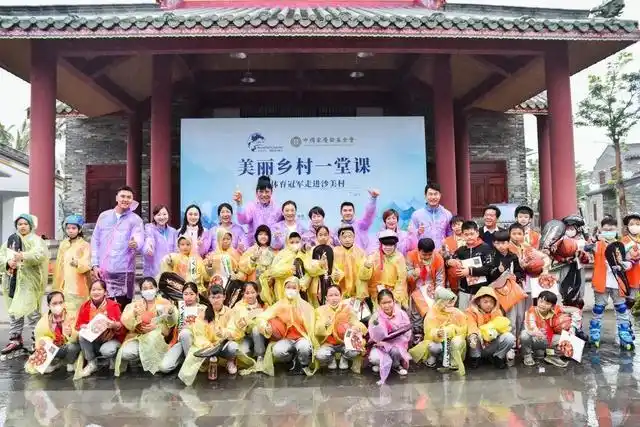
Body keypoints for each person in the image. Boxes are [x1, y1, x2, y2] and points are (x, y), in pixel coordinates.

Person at [0, 213, 48, 357]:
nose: (22, 226)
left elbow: (40, 255)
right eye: (20, 224)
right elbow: (2, 256)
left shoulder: (36, 240)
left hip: (30, 283)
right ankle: (15, 339)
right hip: (13, 281)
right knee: (14, 312)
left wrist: (24, 256)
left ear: (30, 225)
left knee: (32, 312)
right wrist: (8, 263)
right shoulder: (10, 241)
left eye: (25, 224)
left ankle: (36, 339)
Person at [177, 285, 244, 385]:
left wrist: (223, 333)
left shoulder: (230, 312)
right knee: (189, 338)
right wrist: (207, 344)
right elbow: (199, 333)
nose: (216, 300)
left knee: (233, 346)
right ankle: (207, 363)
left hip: (223, 345)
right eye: (213, 297)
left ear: (224, 297)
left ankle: (230, 361)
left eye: (218, 297)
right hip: (209, 346)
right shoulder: (204, 313)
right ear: (209, 298)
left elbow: (235, 331)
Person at [91, 185, 144, 309]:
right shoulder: (104, 216)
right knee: (103, 306)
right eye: (123, 196)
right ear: (116, 198)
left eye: (129, 197)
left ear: (132, 200)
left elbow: (139, 236)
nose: (125, 199)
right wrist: (95, 264)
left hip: (125, 270)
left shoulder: (135, 220)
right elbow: (95, 240)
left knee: (124, 307)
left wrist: (136, 243)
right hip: (104, 269)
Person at [585, 217, 634, 349]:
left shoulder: (622, 245)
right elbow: (586, 248)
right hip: (601, 282)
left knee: (621, 308)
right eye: (605, 230)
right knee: (598, 308)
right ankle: (595, 334)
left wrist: (626, 265)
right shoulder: (597, 245)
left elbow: (630, 261)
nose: (608, 232)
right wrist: (594, 239)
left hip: (618, 283)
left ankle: (624, 334)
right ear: (601, 230)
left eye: (611, 230)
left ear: (616, 230)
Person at [115, 277, 178, 376]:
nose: (148, 290)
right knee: (126, 353)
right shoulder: (136, 304)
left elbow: (172, 323)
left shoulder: (164, 303)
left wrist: (157, 327)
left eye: (151, 287)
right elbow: (126, 321)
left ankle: (154, 360)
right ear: (141, 291)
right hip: (139, 337)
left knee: (152, 338)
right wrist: (134, 314)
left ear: (156, 289)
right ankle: (139, 359)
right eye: (145, 288)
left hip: (159, 338)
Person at [257, 276, 316, 376]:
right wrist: (265, 327)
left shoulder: (306, 306)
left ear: (298, 289)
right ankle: (292, 359)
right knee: (277, 351)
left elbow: (311, 326)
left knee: (304, 347)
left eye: (294, 287)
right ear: (284, 288)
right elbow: (262, 317)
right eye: (288, 287)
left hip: (302, 338)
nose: (291, 290)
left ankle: (303, 364)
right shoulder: (279, 305)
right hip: (286, 338)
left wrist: (311, 340)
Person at [410, 288, 466, 374]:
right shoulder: (431, 314)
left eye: (452, 302)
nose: (450, 305)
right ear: (440, 302)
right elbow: (428, 333)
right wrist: (437, 333)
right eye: (447, 302)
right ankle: (433, 357)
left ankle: (454, 363)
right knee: (434, 346)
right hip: (439, 343)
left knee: (457, 341)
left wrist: (452, 329)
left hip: (453, 343)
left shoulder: (457, 313)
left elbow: (464, 329)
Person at [75, 279, 125, 378]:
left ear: (105, 292)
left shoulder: (113, 305)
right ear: (90, 292)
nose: (96, 292)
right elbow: (78, 325)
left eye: (99, 289)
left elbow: (122, 327)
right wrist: (82, 327)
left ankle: (112, 357)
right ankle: (91, 363)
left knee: (107, 351)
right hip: (94, 341)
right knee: (81, 336)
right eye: (93, 290)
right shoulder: (85, 306)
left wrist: (114, 325)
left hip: (111, 339)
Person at [25, 291, 81, 374]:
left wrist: (71, 333)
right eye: (54, 303)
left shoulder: (72, 316)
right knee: (44, 341)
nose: (58, 306)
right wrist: (43, 343)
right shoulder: (43, 323)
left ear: (64, 303)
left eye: (60, 302)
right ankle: (53, 362)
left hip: (68, 348)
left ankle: (70, 362)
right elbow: (38, 341)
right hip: (54, 349)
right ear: (49, 305)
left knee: (74, 347)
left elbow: (79, 337)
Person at [159, 282, 208, 374]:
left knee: (185, 333)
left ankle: (190, 364)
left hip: (197, 342)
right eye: (185, 294)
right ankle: (185, 359)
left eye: (191, 294)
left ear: (197, 294)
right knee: (164, 368)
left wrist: (191, 327)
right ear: (182, 295)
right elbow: (171, 323)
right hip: (180, 342)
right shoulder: (179, 307)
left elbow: (206, 328)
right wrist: (170, 313)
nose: (188, 297)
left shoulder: (203, 308)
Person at [315, 285, 367, 371]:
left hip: (345, 343)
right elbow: (317, 330)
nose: (334, 298)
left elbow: (356, 322)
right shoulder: (320, 310)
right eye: (330, 295)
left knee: (356, 350)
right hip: (328, 343)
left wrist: (357, 327)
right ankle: (331, 359)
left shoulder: (347, 308)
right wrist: (326, 325)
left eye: (336, 295)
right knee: (320, 355)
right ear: (326, 298)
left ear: (341, 296)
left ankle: (344, 357)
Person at [465, 286, 515, 369]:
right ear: (478, 302)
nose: (489, 304)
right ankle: (475, 358)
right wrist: (473, 335)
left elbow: (502, 328)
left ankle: (498, 357)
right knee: (473, 336)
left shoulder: (497, 312)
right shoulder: (470, 312)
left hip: (492, 343)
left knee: (509, 337)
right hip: (478, 345)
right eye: (485, 302)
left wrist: (496, 332)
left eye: (491, 302)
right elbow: (471, 326)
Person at [368, 289, 412, 384]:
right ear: (379, 304)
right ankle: (382, 364)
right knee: (374, 358)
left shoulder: (401, 314)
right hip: (380, 346)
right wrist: (379, 342)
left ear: (394, 301)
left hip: (396, 345)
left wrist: (394, 342)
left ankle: (396, 365)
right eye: (384, 303)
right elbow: (373, 336)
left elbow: (407, 333)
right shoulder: (375, 317)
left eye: (389, 302)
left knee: (396, 351)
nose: (387, 305)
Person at [447, 221, 494, 310]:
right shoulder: (460, 251)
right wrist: (449, 262)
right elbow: (449, 262)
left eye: (472, 234)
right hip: (464, 290)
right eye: (466, 234)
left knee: (480, 315)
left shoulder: (486, 248)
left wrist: (469, 271)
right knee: (464, 315)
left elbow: (489, 269)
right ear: (462, 235)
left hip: (482, 291)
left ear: (477, 233)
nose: (469, 237)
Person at [406, 238, 445, 344]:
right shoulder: (411, 256)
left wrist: (438, 292)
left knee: (431, 313)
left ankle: (430, 334)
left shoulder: (438, 258)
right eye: (424, 254)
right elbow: (406, 275)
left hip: (431, 290)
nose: (427, 257)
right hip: (415, 290)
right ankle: (417, 335)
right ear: (418, 250)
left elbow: (440, 278)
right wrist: (414, 273)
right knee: (416, 314)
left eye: (429, 254)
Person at [490, 230, 526, 343]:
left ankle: (513, 342)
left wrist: (516, 276)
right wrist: (498, 271)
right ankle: (499, 341)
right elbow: (488, 274)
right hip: (496, 291)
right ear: (494, 243)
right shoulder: (492, 256)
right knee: (498, 316)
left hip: (510, 291)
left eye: (503, 243)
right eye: (498, 243)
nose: (501, 246)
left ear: (508, 243)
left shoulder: (513, 256)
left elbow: (520, 272)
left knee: (513, 316)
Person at [53, 214, 91, 313]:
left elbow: (87, 264)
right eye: (68, 228)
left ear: (80, 229)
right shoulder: (63, 244)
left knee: (79, 313)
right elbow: (59, 265)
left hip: (78, 286)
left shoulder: (84, 245)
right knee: (66, 313)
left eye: (74, 228)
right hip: (64, 285)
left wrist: (78, 264)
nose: (70, 230)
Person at [520, 291, 570, 367]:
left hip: (547, 339)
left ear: (552, 306)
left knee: (564, 338)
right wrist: (537, 332)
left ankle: (551, 356)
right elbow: (531, 326)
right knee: (524, 334)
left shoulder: (555, 310)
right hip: (534, 340)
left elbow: (574, 310)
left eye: (547, 303)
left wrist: (571, 327)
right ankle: (527, 355)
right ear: (537, 300)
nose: (543, 305)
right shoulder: (531, 311)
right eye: (541, 301)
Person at [360, 230, 408, 307]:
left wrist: (394, 296)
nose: (388, 247)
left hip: (393, 294)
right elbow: (363, 278)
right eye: (385, 244)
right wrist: (366, 267)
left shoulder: (399, 257)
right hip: (376, 293)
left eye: (391, 245)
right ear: (381, 245)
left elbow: (401, 280)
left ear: (395, 245)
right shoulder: (373, 256)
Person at [233, 175, 283, 247]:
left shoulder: (277, 208)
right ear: (256, 193)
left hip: (272, 247)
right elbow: (243, 220)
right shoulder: (251, 206)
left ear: (271, 192)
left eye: (267, 192)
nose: (264, 194)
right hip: (254, 246)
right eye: (261, 192)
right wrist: (239, 204)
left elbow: (284, 223)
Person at [226, 282, 268, 362]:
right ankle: (253, 353)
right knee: (244, 352)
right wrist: (248, 318)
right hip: (244, 336)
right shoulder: (238, 306)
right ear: (243, 294)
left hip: (260, 335)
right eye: (247, 293)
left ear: (257, 293)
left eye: (253, 292)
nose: (250, 296)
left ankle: (260, 355)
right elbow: (236, 324)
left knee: (256, 329)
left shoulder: (262, 305)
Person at [261, 232, 307, 303]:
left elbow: (308, 270)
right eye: (292, 242)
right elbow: (274, 271)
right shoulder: (281, 254)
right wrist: (289, 270)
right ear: (287, 242)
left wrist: (303, 283)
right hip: (282, 288)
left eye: (297, 242)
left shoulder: (303, 254)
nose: (295, 244)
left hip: (301, 289)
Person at [410, 182, 453, 250]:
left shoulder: (447, 214)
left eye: (435, 194)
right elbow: (410, 235)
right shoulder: (416, 215)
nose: (433, 197)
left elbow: (450, 235)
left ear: (440, 195)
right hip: (424, 253)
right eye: (430, 194)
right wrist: (418, 232)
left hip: (442, 252)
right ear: (425, 196)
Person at [143, 205, 178, 278]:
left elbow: (176, 250)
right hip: (154, 271)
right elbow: (149, 240)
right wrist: (148, 248)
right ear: (154, 216)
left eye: (164, 214)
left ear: (168, 215)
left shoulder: (173, 231)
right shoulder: (149, 229)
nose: (162, 217)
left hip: (170, 270)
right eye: (158, 215)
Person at [331, 226, 367, 299]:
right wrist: (335, 275)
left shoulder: (361, 252)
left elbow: (364, 274)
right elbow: (332, 269)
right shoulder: (334, 252)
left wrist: (367, 268)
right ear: (339, 238)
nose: (347, 240)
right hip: (339, 293)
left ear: (354, 237)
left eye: (350, 237)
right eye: (344, 237)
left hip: (357, 293)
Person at [302, 242, 334, 308]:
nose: (325, 261)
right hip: (314, 304)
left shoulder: (333, 270)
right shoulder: (311, 271)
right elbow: (303, 285)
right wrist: (319, 264)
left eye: (327, 258)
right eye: (321, 258)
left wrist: (336, 277)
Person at [442, 215, 466, 292]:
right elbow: (444, 257)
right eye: (454, 225)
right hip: (453, 273)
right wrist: (448, 262)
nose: (457, 227)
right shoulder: (446, 241)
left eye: (459, 224)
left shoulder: (470, 238)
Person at [622, 212, 640, 299]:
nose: (635, 226)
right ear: (627, 227)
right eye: (632, 224)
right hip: (631, 273)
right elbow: (623, 256)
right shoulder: (624, 240)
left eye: (638, 224)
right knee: (632, 299)